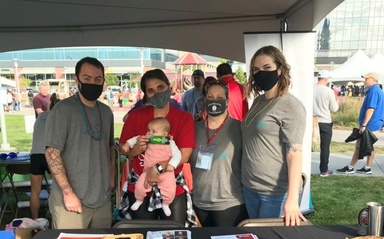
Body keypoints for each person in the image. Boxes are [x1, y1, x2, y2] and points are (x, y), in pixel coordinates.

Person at [45, 56, 115, 229]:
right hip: (70, 201)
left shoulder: (106, 112)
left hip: (102, 200)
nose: (93, 83)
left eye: (98, 79)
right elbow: (52, 153)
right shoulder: (63, 110)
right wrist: (68, 192)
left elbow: (109, 147)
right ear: (77, 79)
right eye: (87, 78)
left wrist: (111, 177)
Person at [119, 68, 195, 225]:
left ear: (169, 87)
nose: (157, 93)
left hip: (172, 186)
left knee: (174, 234)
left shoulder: (184, 118)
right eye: (151, 90)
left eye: (161, 87)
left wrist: (158, 169)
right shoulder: (136, 117)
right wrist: (136, 150)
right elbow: (123, 147)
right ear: (146, 95)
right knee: (144, 234)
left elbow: (184, 154)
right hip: (142, 185)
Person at [241, 45, 307, 226]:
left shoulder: (290, 105)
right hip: (250, 187)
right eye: (256, 69)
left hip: (275, 193)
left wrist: (292, 199)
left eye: (267, 68)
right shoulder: (258, 101)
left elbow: (294, 152)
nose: (260, 73)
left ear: (280, 70)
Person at [190, 81, 248, 227]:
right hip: (200, 203)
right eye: (210, 97)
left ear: (227, 101)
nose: (214, 101)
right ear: (204, 99)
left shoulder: (240, 128)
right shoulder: (193, 129)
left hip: (229, 204)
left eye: (219, 97)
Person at [122, 117, 181, 216]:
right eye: (149, 130)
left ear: (165, 134)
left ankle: (166, 204)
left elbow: (178, 154)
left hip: (166, 172)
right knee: (140, 185)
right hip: (148, 171)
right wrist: (127, 144)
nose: (149, 133)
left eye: (153, 131)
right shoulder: (148, 138)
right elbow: (135, 139)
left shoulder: (170, 142)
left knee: (170, 188)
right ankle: (139, 200)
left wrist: (172, 165)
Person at [337, 72, 384, 175]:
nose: (365, 81)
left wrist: (364, 125)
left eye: (367, 79)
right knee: (369, 146)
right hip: (375, 123)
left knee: (359, 146)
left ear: (373, 80)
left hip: (370, 124)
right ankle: (367, 167)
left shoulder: (373, 91)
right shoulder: (377, 90)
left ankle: (350, 167)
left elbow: (370, 109)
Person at [30, 93, 60, 219]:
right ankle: (56, 216)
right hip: (51, 153)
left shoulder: (40, 118)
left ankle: (34, 220)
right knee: (57, 188)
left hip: (36, 154)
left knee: (35, 191)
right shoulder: (58, 119)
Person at [313, 70, 339, 177]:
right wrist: (337, 102)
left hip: (312, 120)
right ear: (325, 79)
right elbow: (334, 108)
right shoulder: (328, 91)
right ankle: (324, 170)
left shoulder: (310, 88)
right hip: (325, 121)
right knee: (324, 147)